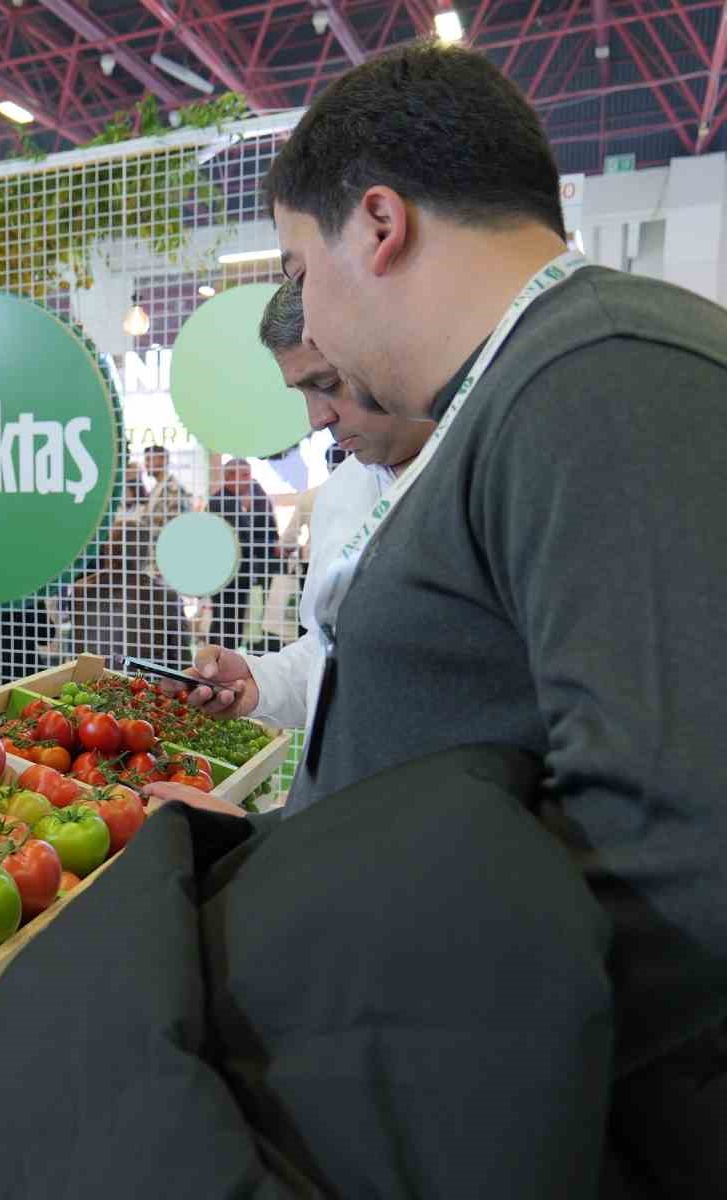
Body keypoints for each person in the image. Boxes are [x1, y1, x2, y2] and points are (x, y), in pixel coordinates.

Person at [172, 42, 727, 1192]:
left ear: (378, 225)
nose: (313, 323)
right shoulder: (532, 387)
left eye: (300, 265)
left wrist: (414, 1072)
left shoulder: (603, 379)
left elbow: (680, 847)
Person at [165, 280, 431, 741]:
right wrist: (258, 682)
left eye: (328, 384)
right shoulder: (340, 494)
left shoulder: (498, 473)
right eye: (302, 393)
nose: (317, 418)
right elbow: (327, 651)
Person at [202, 457, 277, 649]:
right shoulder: (223, 502)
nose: (249, 480)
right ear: (229, 477)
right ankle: (219, 659)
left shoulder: (231, 501)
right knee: (227, 623)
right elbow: (243, 540)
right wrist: (271, 546)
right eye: (244, 475)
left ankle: (221, 658)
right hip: (229, 577)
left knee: (229, 622)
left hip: (233, 575)